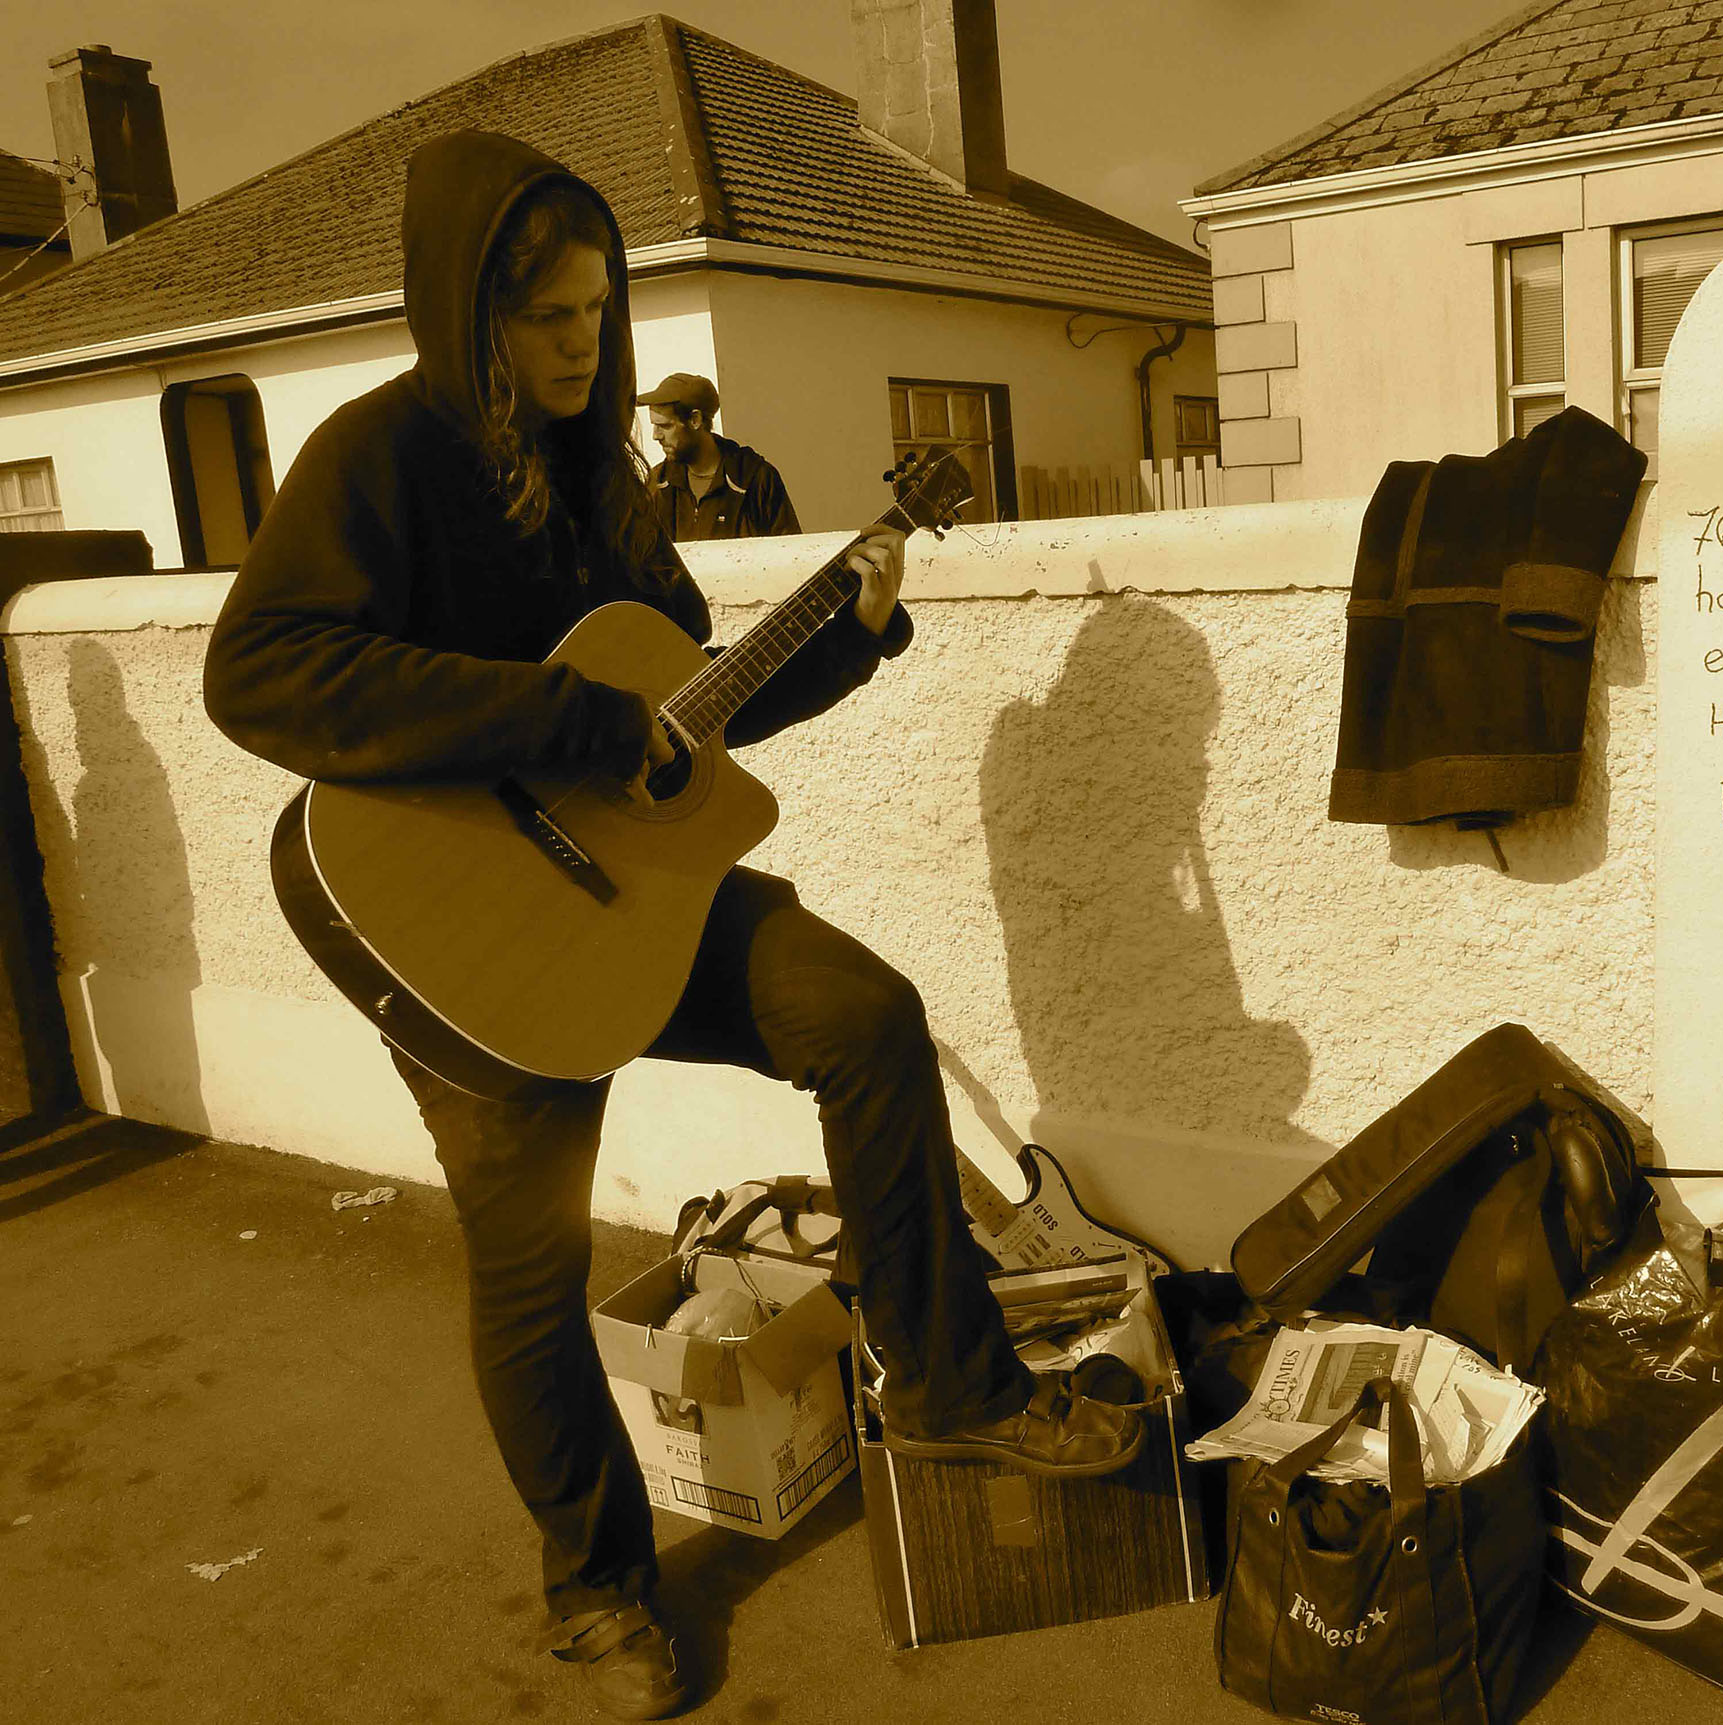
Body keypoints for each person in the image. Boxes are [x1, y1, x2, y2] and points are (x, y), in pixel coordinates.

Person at [201, 130, 1140, 1722]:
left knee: (866, 1015)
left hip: (630, 895)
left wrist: (852, 634)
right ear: (467, 312)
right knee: (533, 1260)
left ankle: (950, 1383)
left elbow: (683, 722)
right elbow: (263, 672)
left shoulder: (604, 483)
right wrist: (565, 719)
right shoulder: (381, 455)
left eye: (597, 311)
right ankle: (596, 1588)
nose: (584, 347)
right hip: (452, 928)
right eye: (544, 318)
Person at [641, 372, 800, 542]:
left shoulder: (756, 479)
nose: (656, 436)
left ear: (695, 420)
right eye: (654, 426)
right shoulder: (657, 484)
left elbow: (791, 552)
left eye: (665, 426)